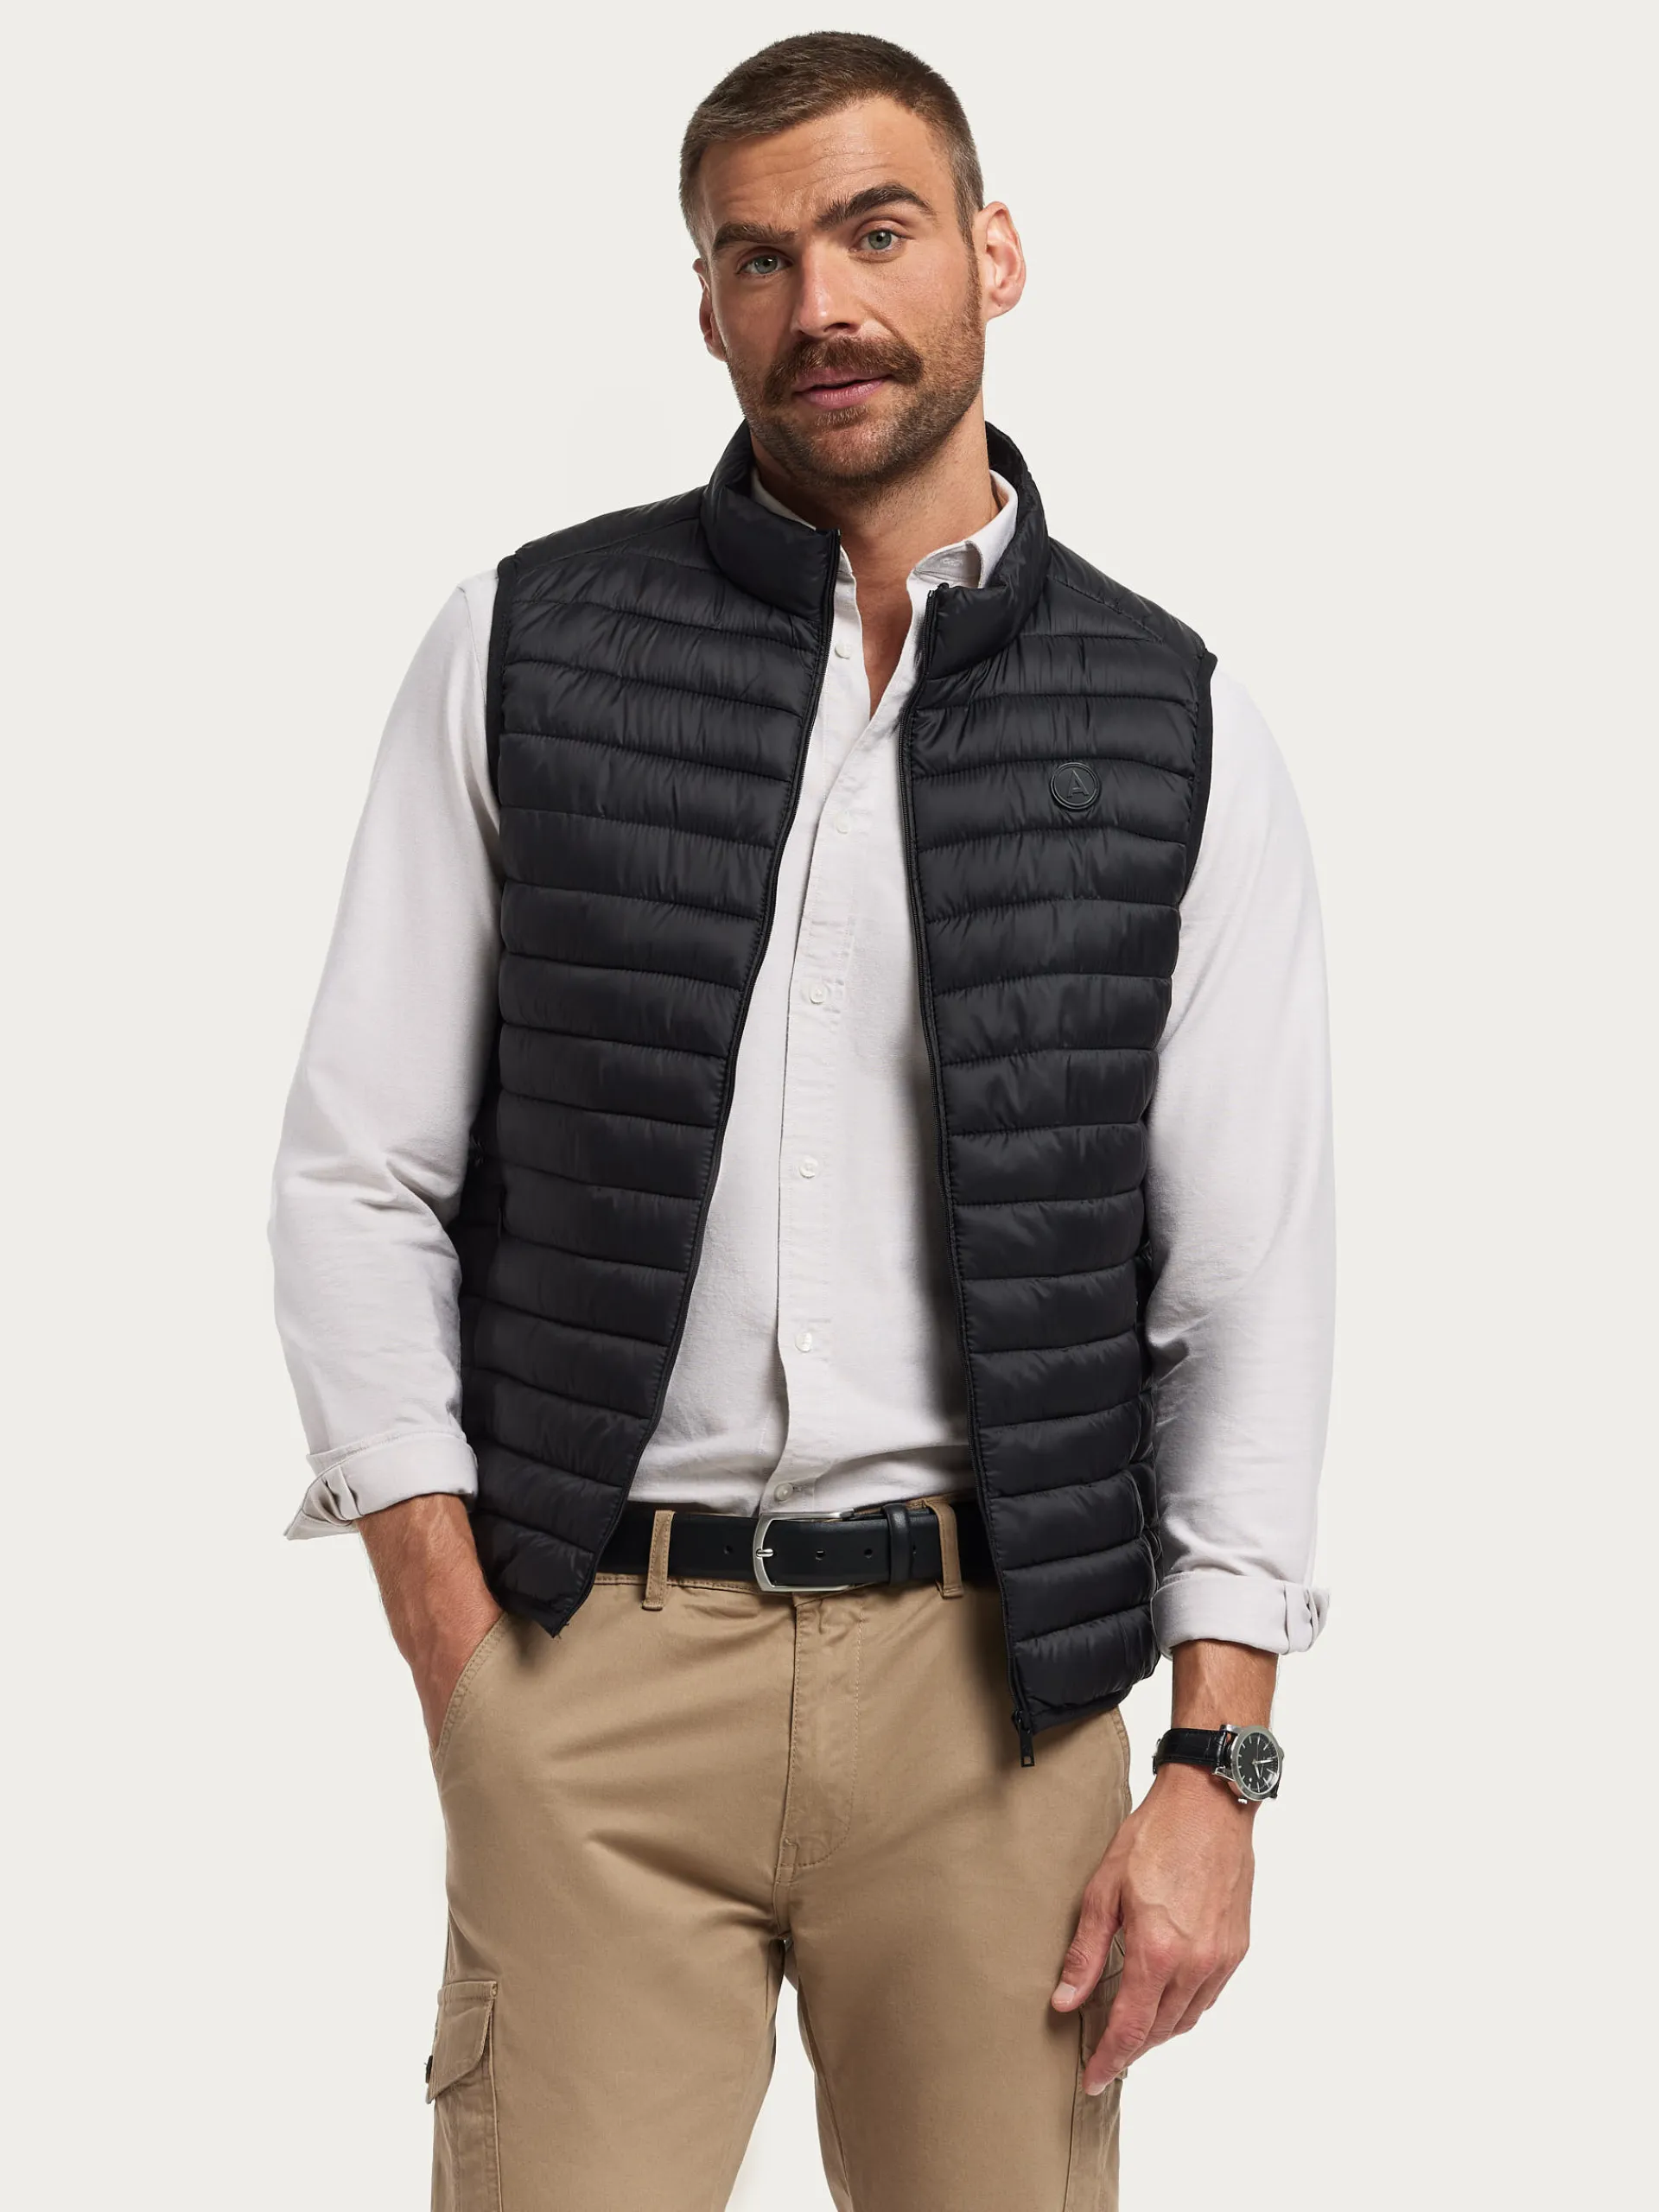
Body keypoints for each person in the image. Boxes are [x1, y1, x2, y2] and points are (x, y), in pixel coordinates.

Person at [269, 30, 1333, 2211]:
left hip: (997, 1698)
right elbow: (357, 1172)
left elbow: (1246, 1285)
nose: (820, 303)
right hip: (593, 1663)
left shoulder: (1171, 720)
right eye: (757, 258)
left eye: (875, 231)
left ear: (993, 253)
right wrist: (467, 1666)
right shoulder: (525, 643)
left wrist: (1216, 1757)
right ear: (706, 306)